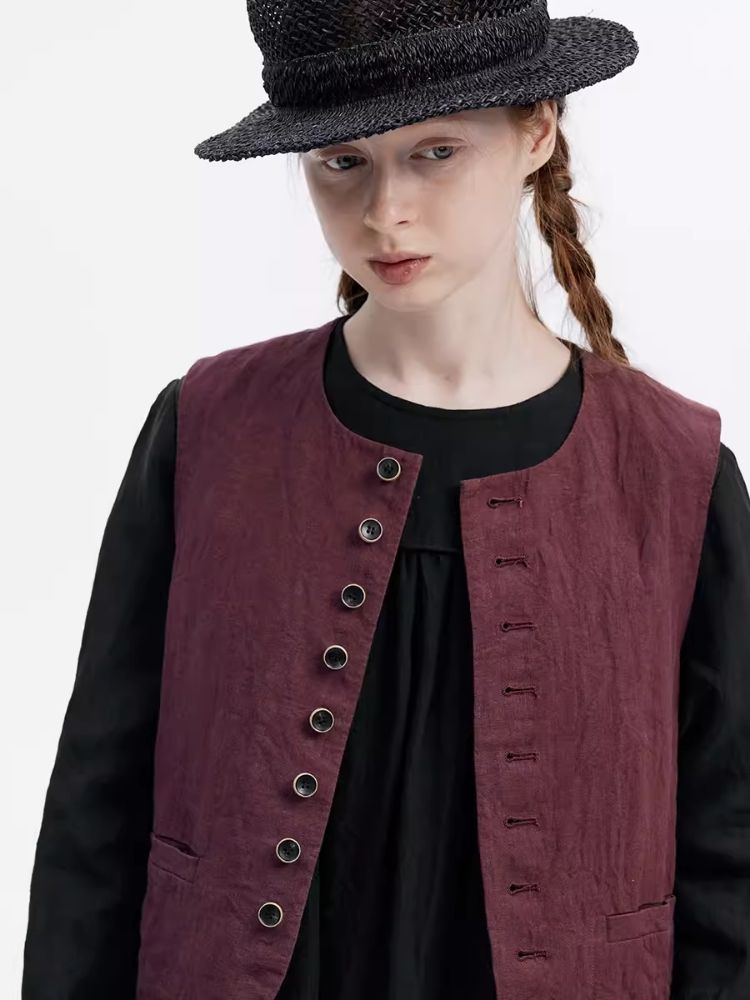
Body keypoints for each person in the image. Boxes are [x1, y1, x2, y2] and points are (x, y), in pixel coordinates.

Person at [22, 2, 750, 999]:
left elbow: (728, 853)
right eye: (342, 162)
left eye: (435, 152)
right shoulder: (208, 429)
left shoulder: (673, 472)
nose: (384, 212)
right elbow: (95, 813)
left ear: (537, 130)